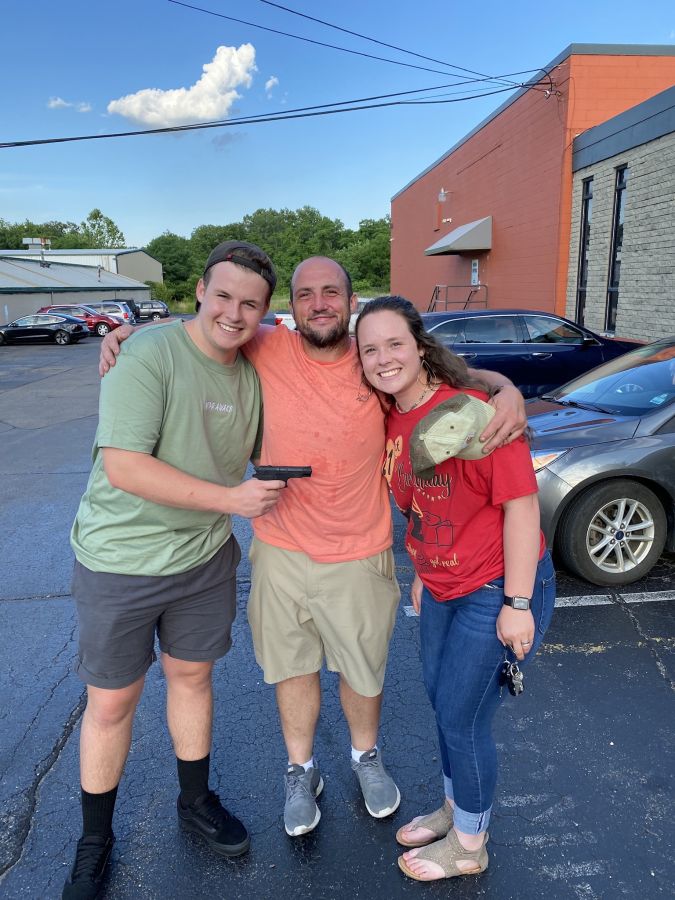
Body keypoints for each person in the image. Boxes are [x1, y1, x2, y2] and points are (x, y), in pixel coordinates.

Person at [100, 256, 528, 840]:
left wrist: (506, 391)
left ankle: (365, 757)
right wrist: (130, 333)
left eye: (331, 292)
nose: (319, 303)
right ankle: (300, 770)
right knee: (292, 668)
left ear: (351, 303)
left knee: (362, 670)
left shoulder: (375, 361)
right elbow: (205, 326)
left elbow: (456, 376)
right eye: (305, 294)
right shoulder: (267, 345)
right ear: (290, 307)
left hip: (360, 551)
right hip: (280, 548)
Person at [64, 241, 285, 899]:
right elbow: (124, 466)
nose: (234, 313)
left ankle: (195, 800)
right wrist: (231, 500)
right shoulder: (149, 355)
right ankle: (94, 840)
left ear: (265, 312)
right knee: (112, 702)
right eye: (223, 296)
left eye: (250, 304)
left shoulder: (256, 364)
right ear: (199, 292)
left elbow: (363, 346)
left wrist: (495, 386)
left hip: (202, 559)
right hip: (121, 560)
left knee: (192, 678)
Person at [355, 295, 555, 883]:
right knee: (445, 708)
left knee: (463, 719)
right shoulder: (390, 416)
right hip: (442, 586)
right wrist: (424, 569)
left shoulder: (476, 414)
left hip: (497, 585)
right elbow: (428, 505)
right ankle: (455, 809)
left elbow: (522, 508)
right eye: (370, 349)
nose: (384, 359)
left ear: (420, 347)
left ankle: (470, 844)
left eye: (395, 344)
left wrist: (518, 604)